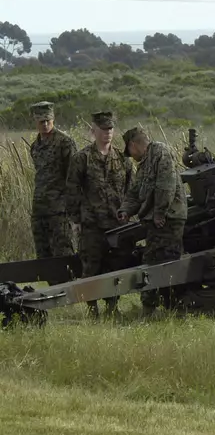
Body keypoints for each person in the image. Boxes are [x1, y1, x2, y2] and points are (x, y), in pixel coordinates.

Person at [66, 111, 134, 319]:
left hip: (117, 223)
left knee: (115, 267)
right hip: (92, 224)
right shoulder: (82, 158)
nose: (107, 133)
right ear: (93, 130)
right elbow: (71, 189)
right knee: (91, 266)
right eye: (103, 129)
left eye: (110, 129)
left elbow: (132, 189)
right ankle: (92, 309)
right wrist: (74, 220)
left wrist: (129, 213)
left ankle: (112, 306)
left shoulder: (123, 159)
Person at [117, 126, 187, 317]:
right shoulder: (144, 165)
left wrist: (159, 214)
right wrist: (125, 211)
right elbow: (135, 192)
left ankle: (162, 310)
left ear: (133, 145)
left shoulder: (160, 151)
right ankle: (166, 308)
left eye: (129, 152)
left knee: (159, 263)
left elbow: (166, 184)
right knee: (156, 262)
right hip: (159, 220)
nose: (131, 156)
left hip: (169, 219)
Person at [28, 101, 77, 260]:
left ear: (53, 119)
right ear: (36, 121)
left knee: (63, 255)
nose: (45, 124)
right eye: (41, 121)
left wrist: (72, 209)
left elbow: (74, 177)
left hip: (59, 210)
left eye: (48, 120)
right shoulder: (35, 146)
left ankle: (67, 285)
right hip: (40, 209)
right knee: (43, 256)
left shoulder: (65, 143)